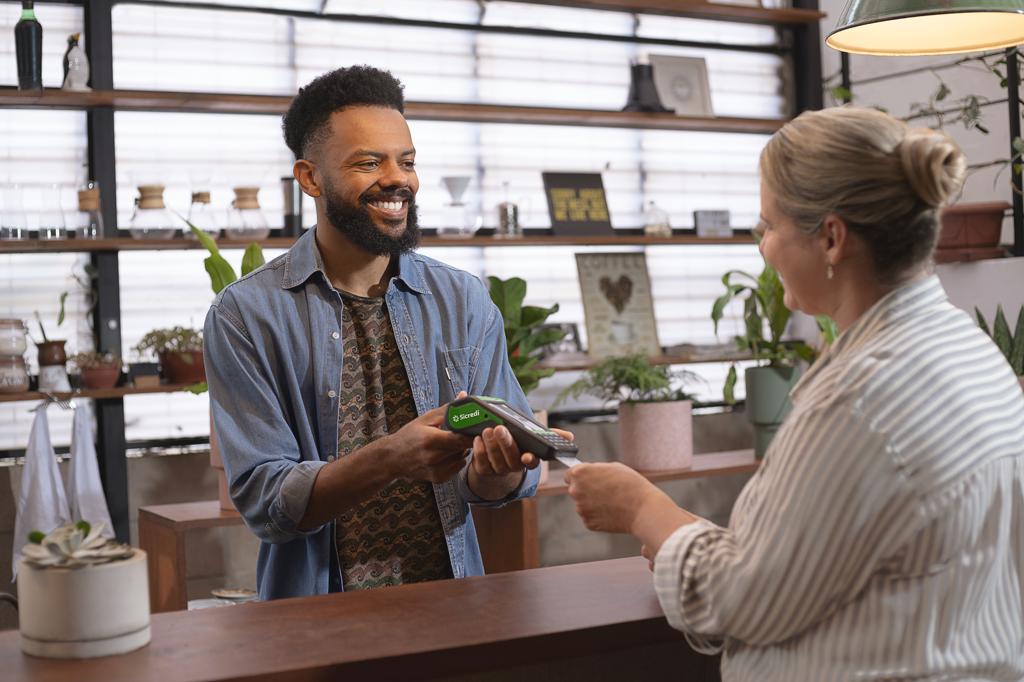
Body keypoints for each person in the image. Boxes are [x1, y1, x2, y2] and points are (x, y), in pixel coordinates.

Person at [565, 107, 1024, 680]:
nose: (763, 246)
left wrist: (641, 507)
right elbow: (834, 559)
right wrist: (685, 529)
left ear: (831, 238)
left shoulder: (859, 397)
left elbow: (744, 600)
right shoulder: (970, 349)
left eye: (769, 226)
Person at [204, 65, 562, 601]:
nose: (397, 179)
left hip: (451, 608)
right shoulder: (246, 314)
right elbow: (266, 501)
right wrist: (390, 458)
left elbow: (493, 485)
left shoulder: (463, 300)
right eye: (369, 162)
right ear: (310, 178)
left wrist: (499, 471)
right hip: (316, 620)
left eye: (407, 161)